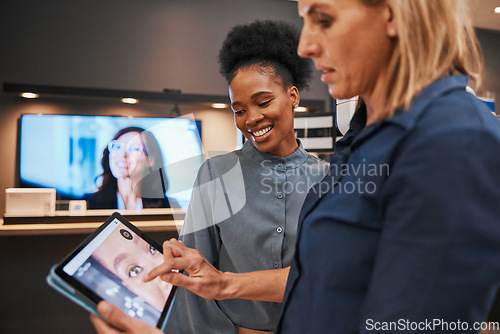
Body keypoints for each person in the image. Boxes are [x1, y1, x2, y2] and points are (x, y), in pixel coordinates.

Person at [94, 0, 500, 332]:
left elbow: (423, 321)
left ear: (393, 14)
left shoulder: (451, 138)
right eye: (304, 19)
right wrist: (224, 283)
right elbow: (325, 276)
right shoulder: (361, 143)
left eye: (323, 18)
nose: (304, 45)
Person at [90, 19, 328, 334]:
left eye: (263, 102)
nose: (252, 118)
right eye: (239, 110)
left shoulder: (329, 179)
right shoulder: (216, 174)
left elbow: (330, 275)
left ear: (293, 96)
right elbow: (195, 284)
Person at [85, 126, 178, 210]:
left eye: (134, 149)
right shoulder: (88, 205)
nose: (122, 155)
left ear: (150, 160)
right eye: (117, 147)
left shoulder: (168, 208)